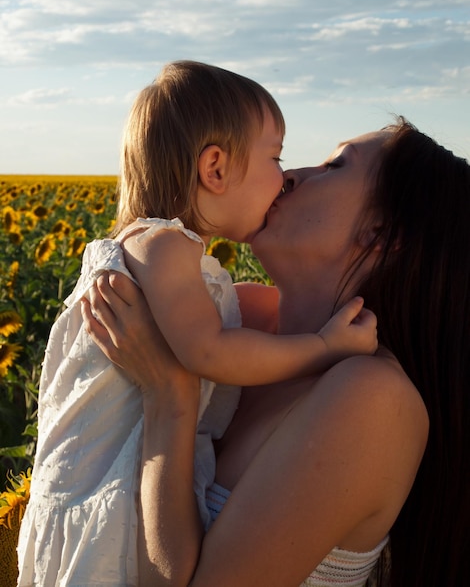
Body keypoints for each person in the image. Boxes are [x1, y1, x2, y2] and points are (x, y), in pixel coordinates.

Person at [16, 61, 377, 587]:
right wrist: (321, 346)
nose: (286, 175)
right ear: (215, 168)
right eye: (274, 158)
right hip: (110, 486)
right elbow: (208, 352)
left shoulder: (159, 251)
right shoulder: (164, 246)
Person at [82, 117, 469, 587]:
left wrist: (169, 391)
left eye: (334, 165)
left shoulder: (373, 398)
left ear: (382, 232)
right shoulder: (234, 317)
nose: (289, 176)